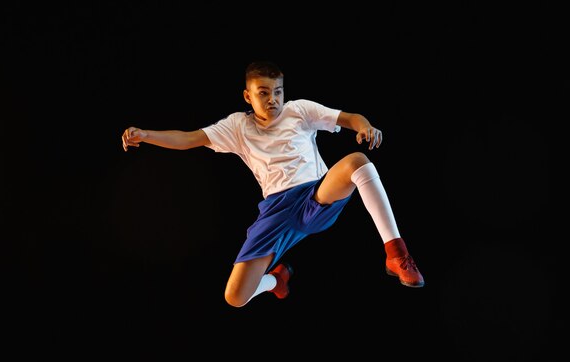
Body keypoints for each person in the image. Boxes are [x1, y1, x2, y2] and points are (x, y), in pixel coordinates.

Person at [121, 61, 424, 308]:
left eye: (277, 92)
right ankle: (276, 281)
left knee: (357, 161)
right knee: (235, 297)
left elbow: (350, 118)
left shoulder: (299, 110)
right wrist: (146, 135)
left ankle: (396, 254)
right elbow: (189, 139)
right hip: (276, 212)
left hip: (316, 194)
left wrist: (365, 126)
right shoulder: (238, 126)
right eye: (263, 93)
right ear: (247, 96)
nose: (272, 100)